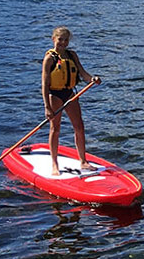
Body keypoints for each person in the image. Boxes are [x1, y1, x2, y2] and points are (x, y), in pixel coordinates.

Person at [41, 26, 100, 174]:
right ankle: (54, 164)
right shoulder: (49, 58)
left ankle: (84, 161)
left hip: (70, 94)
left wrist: (92, 79)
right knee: (55, 129)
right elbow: (45, 84)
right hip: (55, 95)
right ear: (53, 39)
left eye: (66, 40)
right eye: (60, 39)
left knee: (79, 127)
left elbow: (83, 73)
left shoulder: (72, 55)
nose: (63, 42)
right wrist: (47, 107)